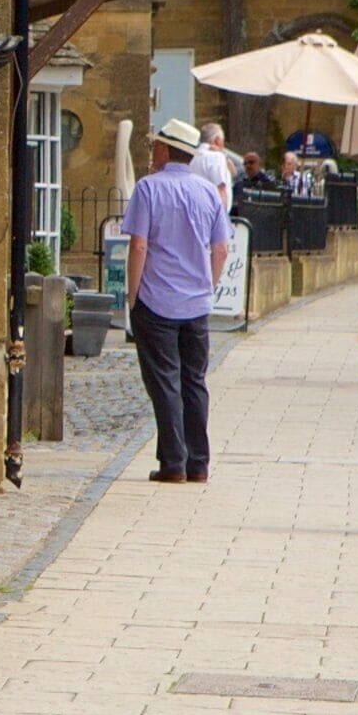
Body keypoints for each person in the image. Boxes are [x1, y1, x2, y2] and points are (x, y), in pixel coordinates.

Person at [124, 118, 232, 485]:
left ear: (166, 150)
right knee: (194, 381)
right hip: (196, 303)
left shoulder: (148, 189)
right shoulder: (207, 192)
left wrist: (132, 292)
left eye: (155, 144)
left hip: (156, 299)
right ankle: (198, 463)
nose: (152, 150)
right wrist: (210, 286)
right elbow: (221, 248)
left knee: (165, 381)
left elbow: (138, 245)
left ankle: (173, 462)